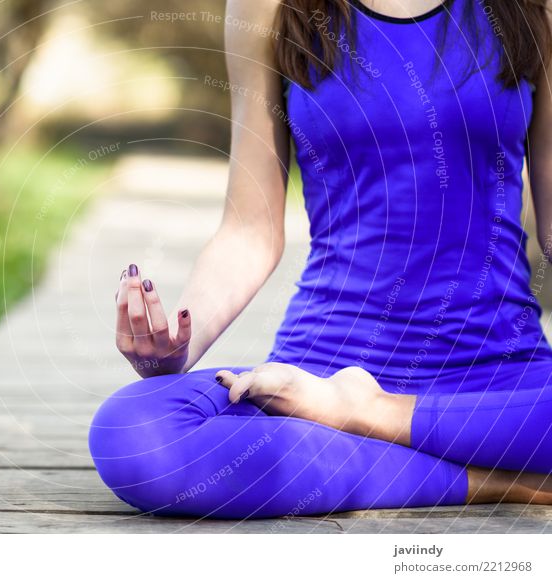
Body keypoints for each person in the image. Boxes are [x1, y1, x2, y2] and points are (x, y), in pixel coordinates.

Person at [88, 0, 552, 518]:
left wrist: (365, 412)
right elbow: (251, 228)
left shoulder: (530, 8)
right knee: (131, 433)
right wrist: (178, 344)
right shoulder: (266, 7)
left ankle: (375, 423)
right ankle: (496, 479)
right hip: (320, 381)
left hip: (498, 383)